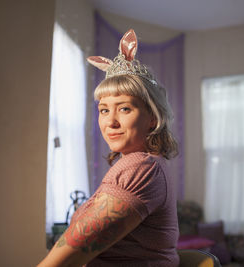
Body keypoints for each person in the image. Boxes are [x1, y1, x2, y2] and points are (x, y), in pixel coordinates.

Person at [38, 29, 179, 267]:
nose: (110, 122)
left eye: (124, 108)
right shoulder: (139, 165)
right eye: (104, 110)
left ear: (153, 119)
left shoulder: (142, 168)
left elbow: (62, 261)